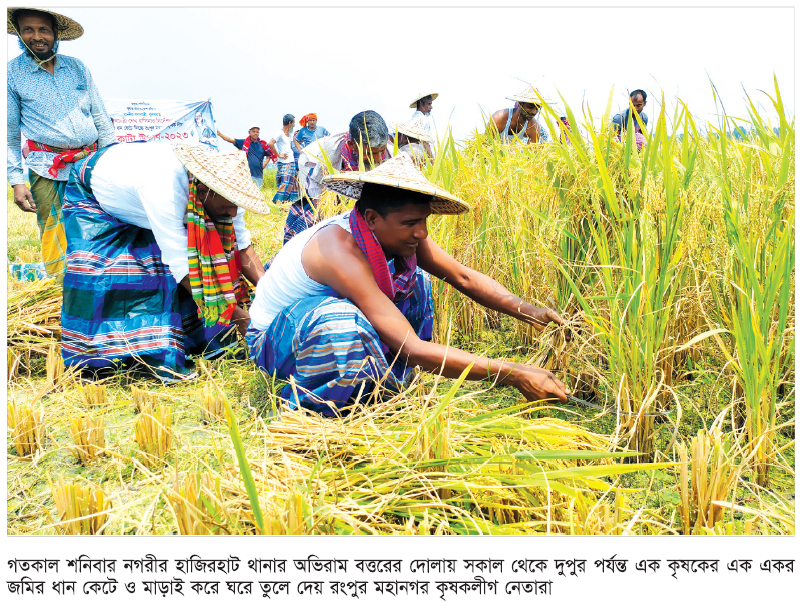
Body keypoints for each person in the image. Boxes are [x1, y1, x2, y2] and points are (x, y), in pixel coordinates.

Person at [246, 153, 570, 416]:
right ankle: (312, 412)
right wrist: (513, 373)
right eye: (411, 223)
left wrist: (531, 312)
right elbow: (411, 347)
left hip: (311, 329)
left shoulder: (400, 235)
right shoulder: (339, 251)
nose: (422, 233)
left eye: (424, 220)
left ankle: (380, 382)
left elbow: (462, 276)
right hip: (276, 341)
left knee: (418, 281)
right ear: (372, 218)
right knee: (340, 322)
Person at [60, 142, 268, 382]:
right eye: (226, 208)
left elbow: (242, 248)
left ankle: (188, 341)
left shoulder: (229, 192)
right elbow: (182, 267)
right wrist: (239, 318)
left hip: (138, 188)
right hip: (97, 194)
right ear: (202, 193)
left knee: (177, 269)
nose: (232, 213)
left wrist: (270, 294)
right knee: (115, 277)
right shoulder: (164, 189)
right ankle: (106, 358)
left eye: (236, 207)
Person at [7, 7, 115, 282]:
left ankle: (96, 286)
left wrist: (111, 160)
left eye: (44, 29)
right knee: (54, 231)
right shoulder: (11, 74)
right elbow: (9, 133)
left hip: (88, 163)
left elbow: (101, 116)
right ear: (19, 34)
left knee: (97, 226)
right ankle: (62, 291)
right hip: (46, 167)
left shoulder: (77, 68)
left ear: (56, 34)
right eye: (28, 29)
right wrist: (16, 181)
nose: (37, 36)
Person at [290, 110, 390, 244]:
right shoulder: (333, 150)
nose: (377, 159)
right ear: (352, 146)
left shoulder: (387, 150)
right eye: (370, 153)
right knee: (315, 219)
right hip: (310, 163)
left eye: (381, 151)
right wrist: (323, 217)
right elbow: (316, 183)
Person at [269, 114, 299, 203]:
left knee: (292, 184)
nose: (294, 125)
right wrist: (278, 155)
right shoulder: (280, 133)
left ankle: (290, 203)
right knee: (285, 183)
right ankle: (277, 201)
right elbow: (270, 144)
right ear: (289, 123)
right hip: (284, 162)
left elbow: (288, 147)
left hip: (291, 161)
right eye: (293, 123)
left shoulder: (289, 135)